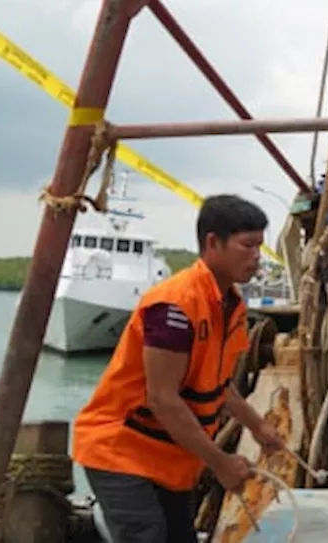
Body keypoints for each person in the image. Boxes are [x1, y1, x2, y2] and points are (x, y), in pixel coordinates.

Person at [72, 195, 283, 543]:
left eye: (259, 246)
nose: (257, 257)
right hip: (121, 450)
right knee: (147, 537)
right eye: (247, 246)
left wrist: (257, 425)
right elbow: (162, 398)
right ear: (213, 242)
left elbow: (217, 384)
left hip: (171, 458)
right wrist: (220, 462)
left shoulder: (231, 306)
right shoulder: (174, 306)